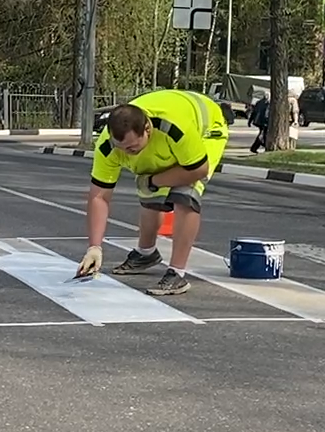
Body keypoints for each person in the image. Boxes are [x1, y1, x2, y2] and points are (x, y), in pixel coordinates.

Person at [73, 89, 229, 295]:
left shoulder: (175, 128)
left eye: (132, 148)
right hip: (165, 136)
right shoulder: (107, 146)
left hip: (205, 128)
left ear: (147, 129)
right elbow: (99, 196)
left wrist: (155, 180)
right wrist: (94, 247)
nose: (127, 154)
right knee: (148, 190)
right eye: (122, 148)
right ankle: (146, 253)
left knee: (186, 194)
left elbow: (198, 170)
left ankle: (177, 273)